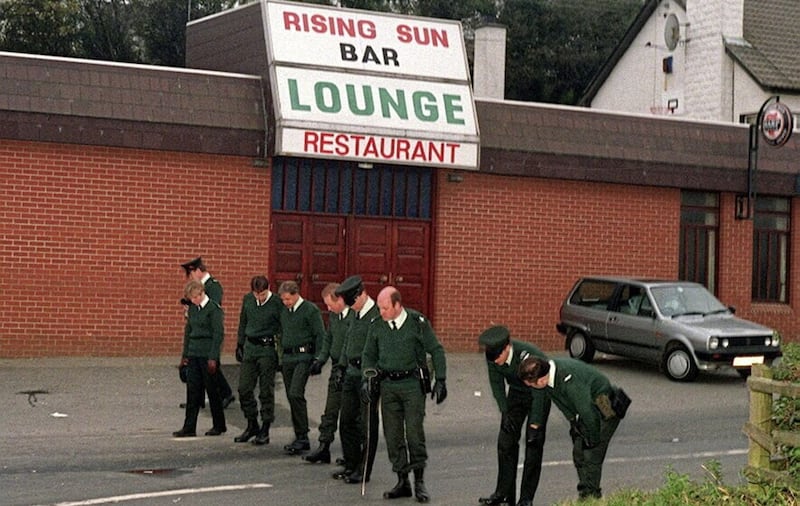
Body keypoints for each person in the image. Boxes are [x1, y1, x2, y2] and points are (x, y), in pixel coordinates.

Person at [362, 286, 447, 503]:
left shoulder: (416, 323)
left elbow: (436, 349)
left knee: (414, 434)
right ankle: (402, 480)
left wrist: (442, 380)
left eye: (385, 308)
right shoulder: (377, 325)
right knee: (392, 435)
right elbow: (369, 355)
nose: (381, 312)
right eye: (379, 308)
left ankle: (419, 480)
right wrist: (368, 378)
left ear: (398, 305)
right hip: (388, 385)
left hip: (411, 385)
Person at [518, 356, 626, 500]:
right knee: (578, 453)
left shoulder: (568, 381)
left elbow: (587, 412)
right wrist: (574, 424)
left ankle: (592, 497)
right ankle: (585, 493)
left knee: (592, 453)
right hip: (586, 407)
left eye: (532, 384)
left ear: (541, 379)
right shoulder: (549, 377)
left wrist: (593, 438)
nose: (531, 387)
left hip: (604, 404)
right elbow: (563, 404)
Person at [477, 326, 551, 506]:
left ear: (507, 348)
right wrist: (505, 411)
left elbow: (541, 390)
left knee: (533, 446)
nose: (495, 362)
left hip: (539, 394)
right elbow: (496, 384)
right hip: (517, 394)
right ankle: (503, 494)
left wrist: (535, 423)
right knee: (505, 443)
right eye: (492, 359)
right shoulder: (493, 357)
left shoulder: (529, 356)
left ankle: (526, 499)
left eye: (498, 358)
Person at [330, 275, 380, 485]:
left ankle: (364, 468)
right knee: (347, 422)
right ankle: (351, 463)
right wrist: (341, 367)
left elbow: (380, 349)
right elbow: (347, 342)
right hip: (351, 372)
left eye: (352, 302)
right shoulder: (354, 314)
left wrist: (371, 377)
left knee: (367, 425)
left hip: (367, 375)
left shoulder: (377, 316)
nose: (351, 307)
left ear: (361, 295)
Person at [304, 282, 353, 464]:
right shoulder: (334, 316)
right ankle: (324, 446)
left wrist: (342, 365)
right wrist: (320, 360)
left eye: (329, 304)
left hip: (350, 369)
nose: (328, 308)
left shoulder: (353, 317)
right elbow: (328, 338)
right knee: (330, 409)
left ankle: (352, 454)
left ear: (340, 299)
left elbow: (351, 345)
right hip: (336, 368)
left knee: (350, 415)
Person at [278, 280, 327, 455]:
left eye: (288, 299)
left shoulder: (310, 310)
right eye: (283, 299)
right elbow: (281, 333)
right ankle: (299, 434)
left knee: (296, 393)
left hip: (303, 356)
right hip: (288, 357)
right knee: (291, 396)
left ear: (296, 294)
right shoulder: (284, 311)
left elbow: (320, 334)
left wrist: (318, 359)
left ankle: (303, 436)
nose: (285, 302)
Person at [173, 279, 227, 437]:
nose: (194, 301)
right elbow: (188, 333)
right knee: (193, 391)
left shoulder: (213, 310)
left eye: (196, 297)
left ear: (202, 293)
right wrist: (185, 356)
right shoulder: (193, 309)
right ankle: (189, 427)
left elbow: (218, 334)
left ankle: (219, 424)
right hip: (194, 353)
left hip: (207, 353)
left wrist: (213, 357)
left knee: (212, 391)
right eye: (191, 299)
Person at [233, 275, 283, 445]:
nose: (259, 297)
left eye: (262, 294)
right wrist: (239, 344)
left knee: (265, 390)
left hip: (267, 349)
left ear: (268, 289)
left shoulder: (277, 302)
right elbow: (243, 321)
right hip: (250, 348)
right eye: (256, 294)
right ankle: (252, 423)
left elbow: (283, 326)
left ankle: (266, 427)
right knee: (244, 388)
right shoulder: (248, 300)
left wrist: (281, 354)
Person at [181, 257, 235, 409]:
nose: (190, 278)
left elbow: (213, 307)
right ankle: (198, 398)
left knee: (211, 366)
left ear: (198, 271)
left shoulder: (213, 286)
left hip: (209, 332)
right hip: (199, 333)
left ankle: (225, 393)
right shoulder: (199, 287)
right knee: (202, 369)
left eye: (191, 274)